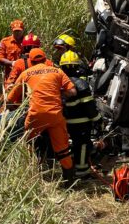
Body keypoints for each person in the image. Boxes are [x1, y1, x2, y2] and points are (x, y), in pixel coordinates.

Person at [7, 48, 77, 185]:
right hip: (55, 116)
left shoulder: (26, 73)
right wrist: (59, 94)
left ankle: (29, 178)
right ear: (45, 59)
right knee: (63, 149)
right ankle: (69, 182)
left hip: (35, 116)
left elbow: (10, 99)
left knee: (28, 144)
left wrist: (13, 108)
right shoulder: (57, 71)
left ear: (31, 61)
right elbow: (72, 92)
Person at [60, 51, 100, 179]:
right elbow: (89, 107)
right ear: (77, 67)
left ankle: (68, 169)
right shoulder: (81, 84)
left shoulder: (58, 82)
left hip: (64, 122)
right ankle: (82, 173)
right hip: (81, 122)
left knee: (69, 146)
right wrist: (98, 120)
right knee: (82, 146)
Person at [0, 20, 25, 86]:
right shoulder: (5, 42)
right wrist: (12, 63)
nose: (17, 33)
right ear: (11, 30)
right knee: (9, 94)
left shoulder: (27, 41)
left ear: (23, 30)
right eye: (15, 31)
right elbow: (0, 58)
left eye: (19, 31)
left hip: (24, 75)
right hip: (10, 76)